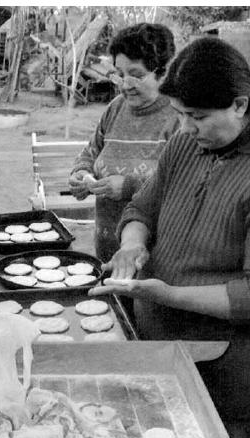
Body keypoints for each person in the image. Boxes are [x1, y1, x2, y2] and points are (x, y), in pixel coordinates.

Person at [90, 37, 250, 438]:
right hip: (154, 340)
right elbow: (142, 208)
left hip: (223, 365)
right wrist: (132, 244)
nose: (186, 128)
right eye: (180, 114)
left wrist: (169, 295)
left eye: (197, 117)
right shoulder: (184, 145)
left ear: (239, 105)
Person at [69, 23, 179, 262]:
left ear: (162, 72)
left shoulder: (180, 118)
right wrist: (81, 174)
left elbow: (183, 186)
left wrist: (130, 187)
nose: (125, 84)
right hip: (107, 251)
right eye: (120, 74)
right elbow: (90, 153)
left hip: (153, 259)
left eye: (136, 75)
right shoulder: (116, 108)